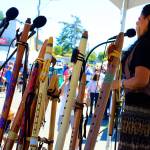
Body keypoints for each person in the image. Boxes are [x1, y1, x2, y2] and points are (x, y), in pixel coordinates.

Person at [112, 4, 150, 150]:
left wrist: (119, 84)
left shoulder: (145, 45)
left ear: (148, 19)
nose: (136, 22)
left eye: (140, 18)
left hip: (140, 116)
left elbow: (141, 81)